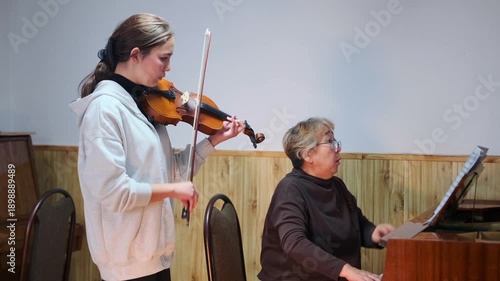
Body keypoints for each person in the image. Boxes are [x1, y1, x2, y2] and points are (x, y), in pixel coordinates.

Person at [69, 13, 245, 281]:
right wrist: (173, 190)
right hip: (127, 268)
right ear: (136, 55)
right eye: (164, 58)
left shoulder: (144, 106)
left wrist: (214, 140)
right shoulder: (104, 110)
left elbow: (170, 172)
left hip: (155, 259)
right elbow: (113, 193)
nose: (169, 68)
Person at [258, 117, 394, 281]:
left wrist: (374, 233)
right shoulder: (290, 189)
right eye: (330, 141)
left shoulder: (337, 186)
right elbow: (294, 244)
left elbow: (358, 225)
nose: (338, 148)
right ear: (307, 154)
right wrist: (346, 270)